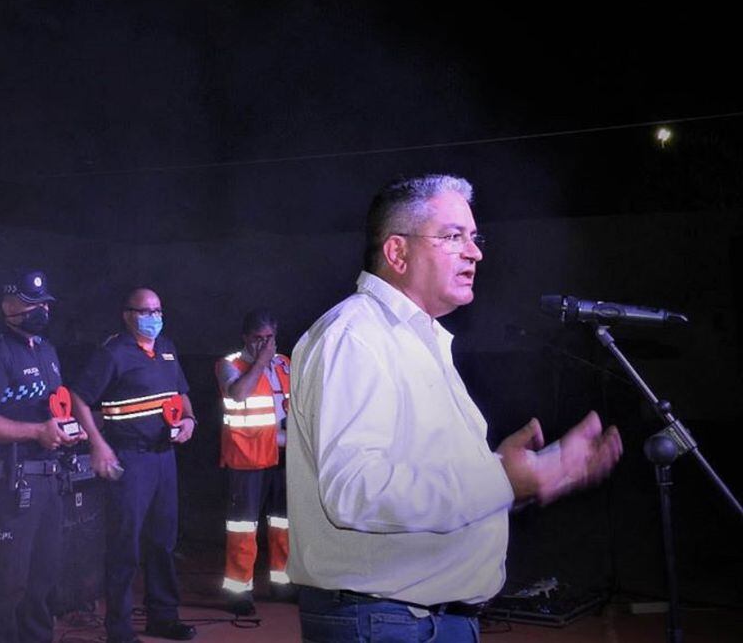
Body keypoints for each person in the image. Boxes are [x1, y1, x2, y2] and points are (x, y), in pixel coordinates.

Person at [287, 174, 623, 643]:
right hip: (387, 622)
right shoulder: (356, 337)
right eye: (452, 237)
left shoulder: (417, 339)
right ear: (397, 253)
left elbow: (423, 480)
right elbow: (355, 491)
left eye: (473, 237)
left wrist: (524, 476)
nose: (475, 252)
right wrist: (502, 477)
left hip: (423, 620)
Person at [0, 269, 86, 643]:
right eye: (33, 304)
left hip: (49, 480)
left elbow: (50, 410)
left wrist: (65, 429)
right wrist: (37, 432)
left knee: (43, 581)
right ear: (8, 305)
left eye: (45, 303)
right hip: (10, 486)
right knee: (5, 584)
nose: (42, 310)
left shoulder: (46, 351)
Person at [70, 287, 197, 643]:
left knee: (163, 542)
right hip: (130, 457)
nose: (153, 317)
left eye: (158, 310)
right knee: (125, 545)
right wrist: (98, 444)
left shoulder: (167, 349)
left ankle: (163, 617)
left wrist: (189, 420)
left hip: (164, 458)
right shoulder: (113, 352)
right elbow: (78, 397)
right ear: (127, 315)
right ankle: (120, 628)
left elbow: (181, 394)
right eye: (145, 311)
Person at [216, 308, 293, 616]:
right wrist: (261, 361)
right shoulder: (228, 364)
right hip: (246, 459)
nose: (265, 344)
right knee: (242, 528)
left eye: (270, 338)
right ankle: (239, 592)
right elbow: (238, 394)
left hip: (282, 457)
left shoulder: (285, 364)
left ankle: (282, 583)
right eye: (258, 338)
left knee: (282, 525)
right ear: (246, 337)